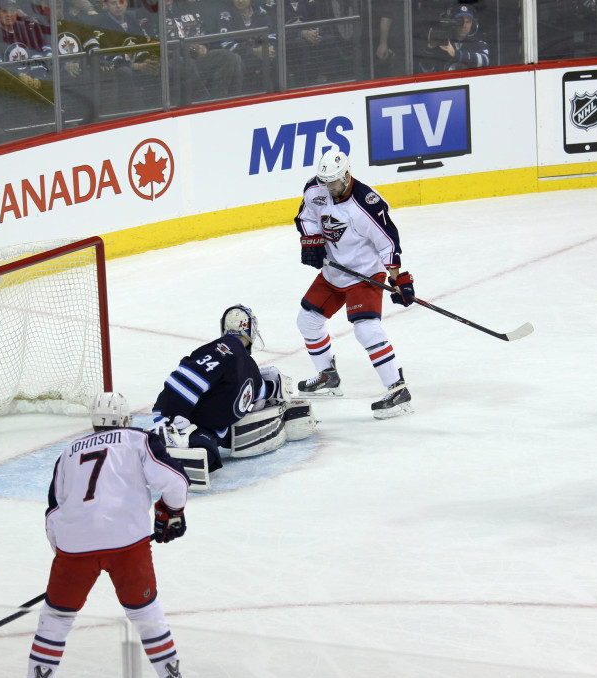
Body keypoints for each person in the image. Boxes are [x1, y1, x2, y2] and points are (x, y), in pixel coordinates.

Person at [26, 391, 188, 678]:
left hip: (74, 547)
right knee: (145, 612)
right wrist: (170, 512)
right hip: (127, 544)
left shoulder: (67, 453)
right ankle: (171, 676)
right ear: (125, 420)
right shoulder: (138, 439)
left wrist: (67, 556)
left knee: (56, 616)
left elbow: (53, 513)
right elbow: (175, 483)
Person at [294, 149, 414, 419]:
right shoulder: (315, 189)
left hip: (365, 274)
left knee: (366, 329)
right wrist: (312, 240)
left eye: (334, 183)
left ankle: (397, 389)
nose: (329, 188)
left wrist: (397, 279)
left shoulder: (367, 203)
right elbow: (306, 217)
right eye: (325, 182)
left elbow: (388, 242)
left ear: (347, 175)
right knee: (307, 320)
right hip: (334, 271)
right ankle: (328, 376)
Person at [151, 305, 294, 473]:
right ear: (250, 330)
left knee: (209, 453)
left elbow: (259, 389)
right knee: (204, 455)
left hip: (208, 428)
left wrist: (274, 387)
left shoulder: (248, 365)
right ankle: (157, 445)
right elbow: (186, 380)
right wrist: (169, 419)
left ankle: (164, 449)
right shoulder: (223, 350)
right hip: (182, 423)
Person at [218, 0, 278, 92]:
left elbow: (271, 33)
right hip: (243, 57)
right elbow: (226, 44)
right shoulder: (226, 16)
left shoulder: (260, 11)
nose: (240, 1)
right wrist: (253, 51)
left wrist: (268, 48)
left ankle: (282, 94)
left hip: (263, 53)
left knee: (278, 57)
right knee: (236, 60)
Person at [415, 3, 490, 73]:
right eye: (460, 21)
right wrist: (429, 50)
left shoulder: (478, 44)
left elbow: (485, 60)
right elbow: (425, 71)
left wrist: (456, 54)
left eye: (468, 22)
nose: (464, 25)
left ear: (473, 24)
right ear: (452, 23)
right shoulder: (442, 43)